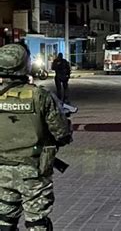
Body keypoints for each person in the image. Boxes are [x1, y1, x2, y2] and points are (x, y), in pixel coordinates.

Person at [0, 44, 73, 230]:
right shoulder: (40, 96)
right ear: (25, 65)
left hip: (1, 171)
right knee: (37, 222)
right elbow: (62, 134)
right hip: (34, 171)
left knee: (4, 221)